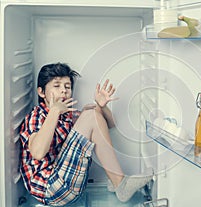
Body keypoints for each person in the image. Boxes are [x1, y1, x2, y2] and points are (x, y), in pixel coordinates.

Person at [19, 63, 153, 206]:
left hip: (68, 186)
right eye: (57, 86)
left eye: (67, 86)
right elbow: (38, 153)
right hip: (50, 189)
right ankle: (120, 184)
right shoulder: (36, 116)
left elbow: (109, 125)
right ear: (41, 92)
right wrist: (54, 112)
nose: (64, 91)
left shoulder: (68, 115)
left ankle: (116, 181)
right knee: (89, 116)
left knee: (92, 112)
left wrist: (101, 106)